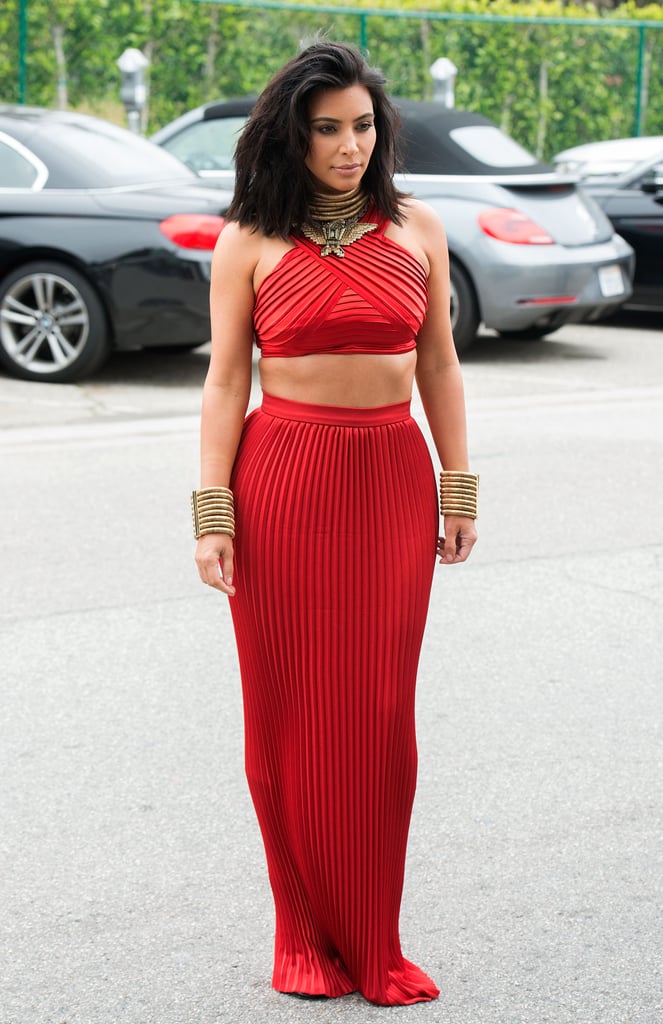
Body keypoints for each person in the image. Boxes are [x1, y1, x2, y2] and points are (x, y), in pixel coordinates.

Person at [193, 39, 478, 1006]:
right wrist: (212, 513)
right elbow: (227, 379)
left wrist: (458, 485)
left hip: (392, 486)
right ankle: (302, 934)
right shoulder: (249, 239)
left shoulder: (420, 229)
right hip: (280, 482)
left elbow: (438, 365)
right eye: (328, 130)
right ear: (293, 136)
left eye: (362, 127)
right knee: (285, 710)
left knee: (376, 720)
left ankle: (374, 938)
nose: (349, 145)